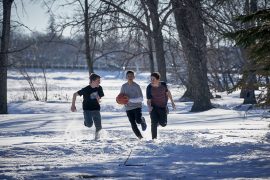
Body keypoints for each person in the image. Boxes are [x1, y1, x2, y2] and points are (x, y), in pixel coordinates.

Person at [71, 73, 104, 140]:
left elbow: (99, 97)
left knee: (99, 127)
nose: (99, 82)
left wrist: (98, 98)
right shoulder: (85, 89)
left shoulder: (99, 88)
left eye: (99, 81)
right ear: (93, 81)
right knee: (89, 125)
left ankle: (97, 139)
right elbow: (74, 94)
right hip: (87, 110)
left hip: (96, 109)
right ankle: (86, 121)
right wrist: (73, 105)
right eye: (98, 81)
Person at [146, 72, 176, 140]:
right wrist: (149, 107)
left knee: (163, 124)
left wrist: (172, 102)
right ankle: (154, 139)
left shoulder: (163, 85)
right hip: (154, 107)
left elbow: (168, 93)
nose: (152, 81)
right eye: (151, 79)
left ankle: (163, 115)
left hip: (163, 107)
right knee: (153, 123)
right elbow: (148, 100)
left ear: (158, 80)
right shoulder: (149, 87)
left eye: (153, 79)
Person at [119, 70, 147, 139]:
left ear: (134, 77)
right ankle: (140, 137)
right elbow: (121, 96)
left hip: (137, 107)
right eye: (128, 76)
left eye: (131, 76)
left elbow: (141, 98)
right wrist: (119, 100)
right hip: (128, 108)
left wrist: (129, 99)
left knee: (138, 121)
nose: (130, 77)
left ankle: (142, 120)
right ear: (126, 77)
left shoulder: (137, 86)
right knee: (133, 123)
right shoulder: (123, 86)